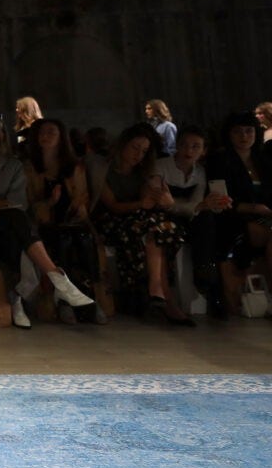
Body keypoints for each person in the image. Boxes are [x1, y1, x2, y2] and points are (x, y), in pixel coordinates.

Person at [0, 114, 94, 329]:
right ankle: (56, 278)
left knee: (15, 226)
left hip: (5, 223)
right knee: (18, 223)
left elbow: (16, 201)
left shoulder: (12, 165)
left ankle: (17, 298)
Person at [92, 123, 190, 324]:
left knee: (161, 228)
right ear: (123, 145)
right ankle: (164, 297)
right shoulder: (104, 169)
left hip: (142, 218)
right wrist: (141, 203)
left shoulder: (143, 171)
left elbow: (150, 199)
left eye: (144, 150)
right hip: (113, 218)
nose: (138, 154)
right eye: (135, 148)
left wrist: (155, 194)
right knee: (156, 227)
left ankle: (156, 291)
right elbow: (112, 205)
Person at [23, 119, 106, 325]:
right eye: (42, 133)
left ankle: (89, 299)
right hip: (45, 224)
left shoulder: (74, 167)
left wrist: (78, 207)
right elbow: (29, 204)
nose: (46, 137)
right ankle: (65, 301)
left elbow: (83, 196)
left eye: (52, 132)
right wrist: (49, 203)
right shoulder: (31, 168)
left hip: (72, 222)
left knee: (84, 241)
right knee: (62, 241)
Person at [154, 126, 232, 319]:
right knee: (200, 219)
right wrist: (194, 207)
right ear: (176, 146)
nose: (189, 151)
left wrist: (207, 205)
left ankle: (206, 276)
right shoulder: (162, 166)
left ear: (204, 150)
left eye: (196, 146)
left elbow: (196, 204)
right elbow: (162, 204)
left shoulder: (200, 172)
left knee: (209, 220)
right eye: (184, 145)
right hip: (163, 217)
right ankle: (206, 279)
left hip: (190, 218)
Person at [207, 111, 272, 314]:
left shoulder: (264, 159)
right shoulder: (220, 160)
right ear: (229, 134)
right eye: (238, 132)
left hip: (266, 214)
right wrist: (253, 208)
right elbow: (221, 200)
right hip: (235, 216)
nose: (244, 136)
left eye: (248, 131)